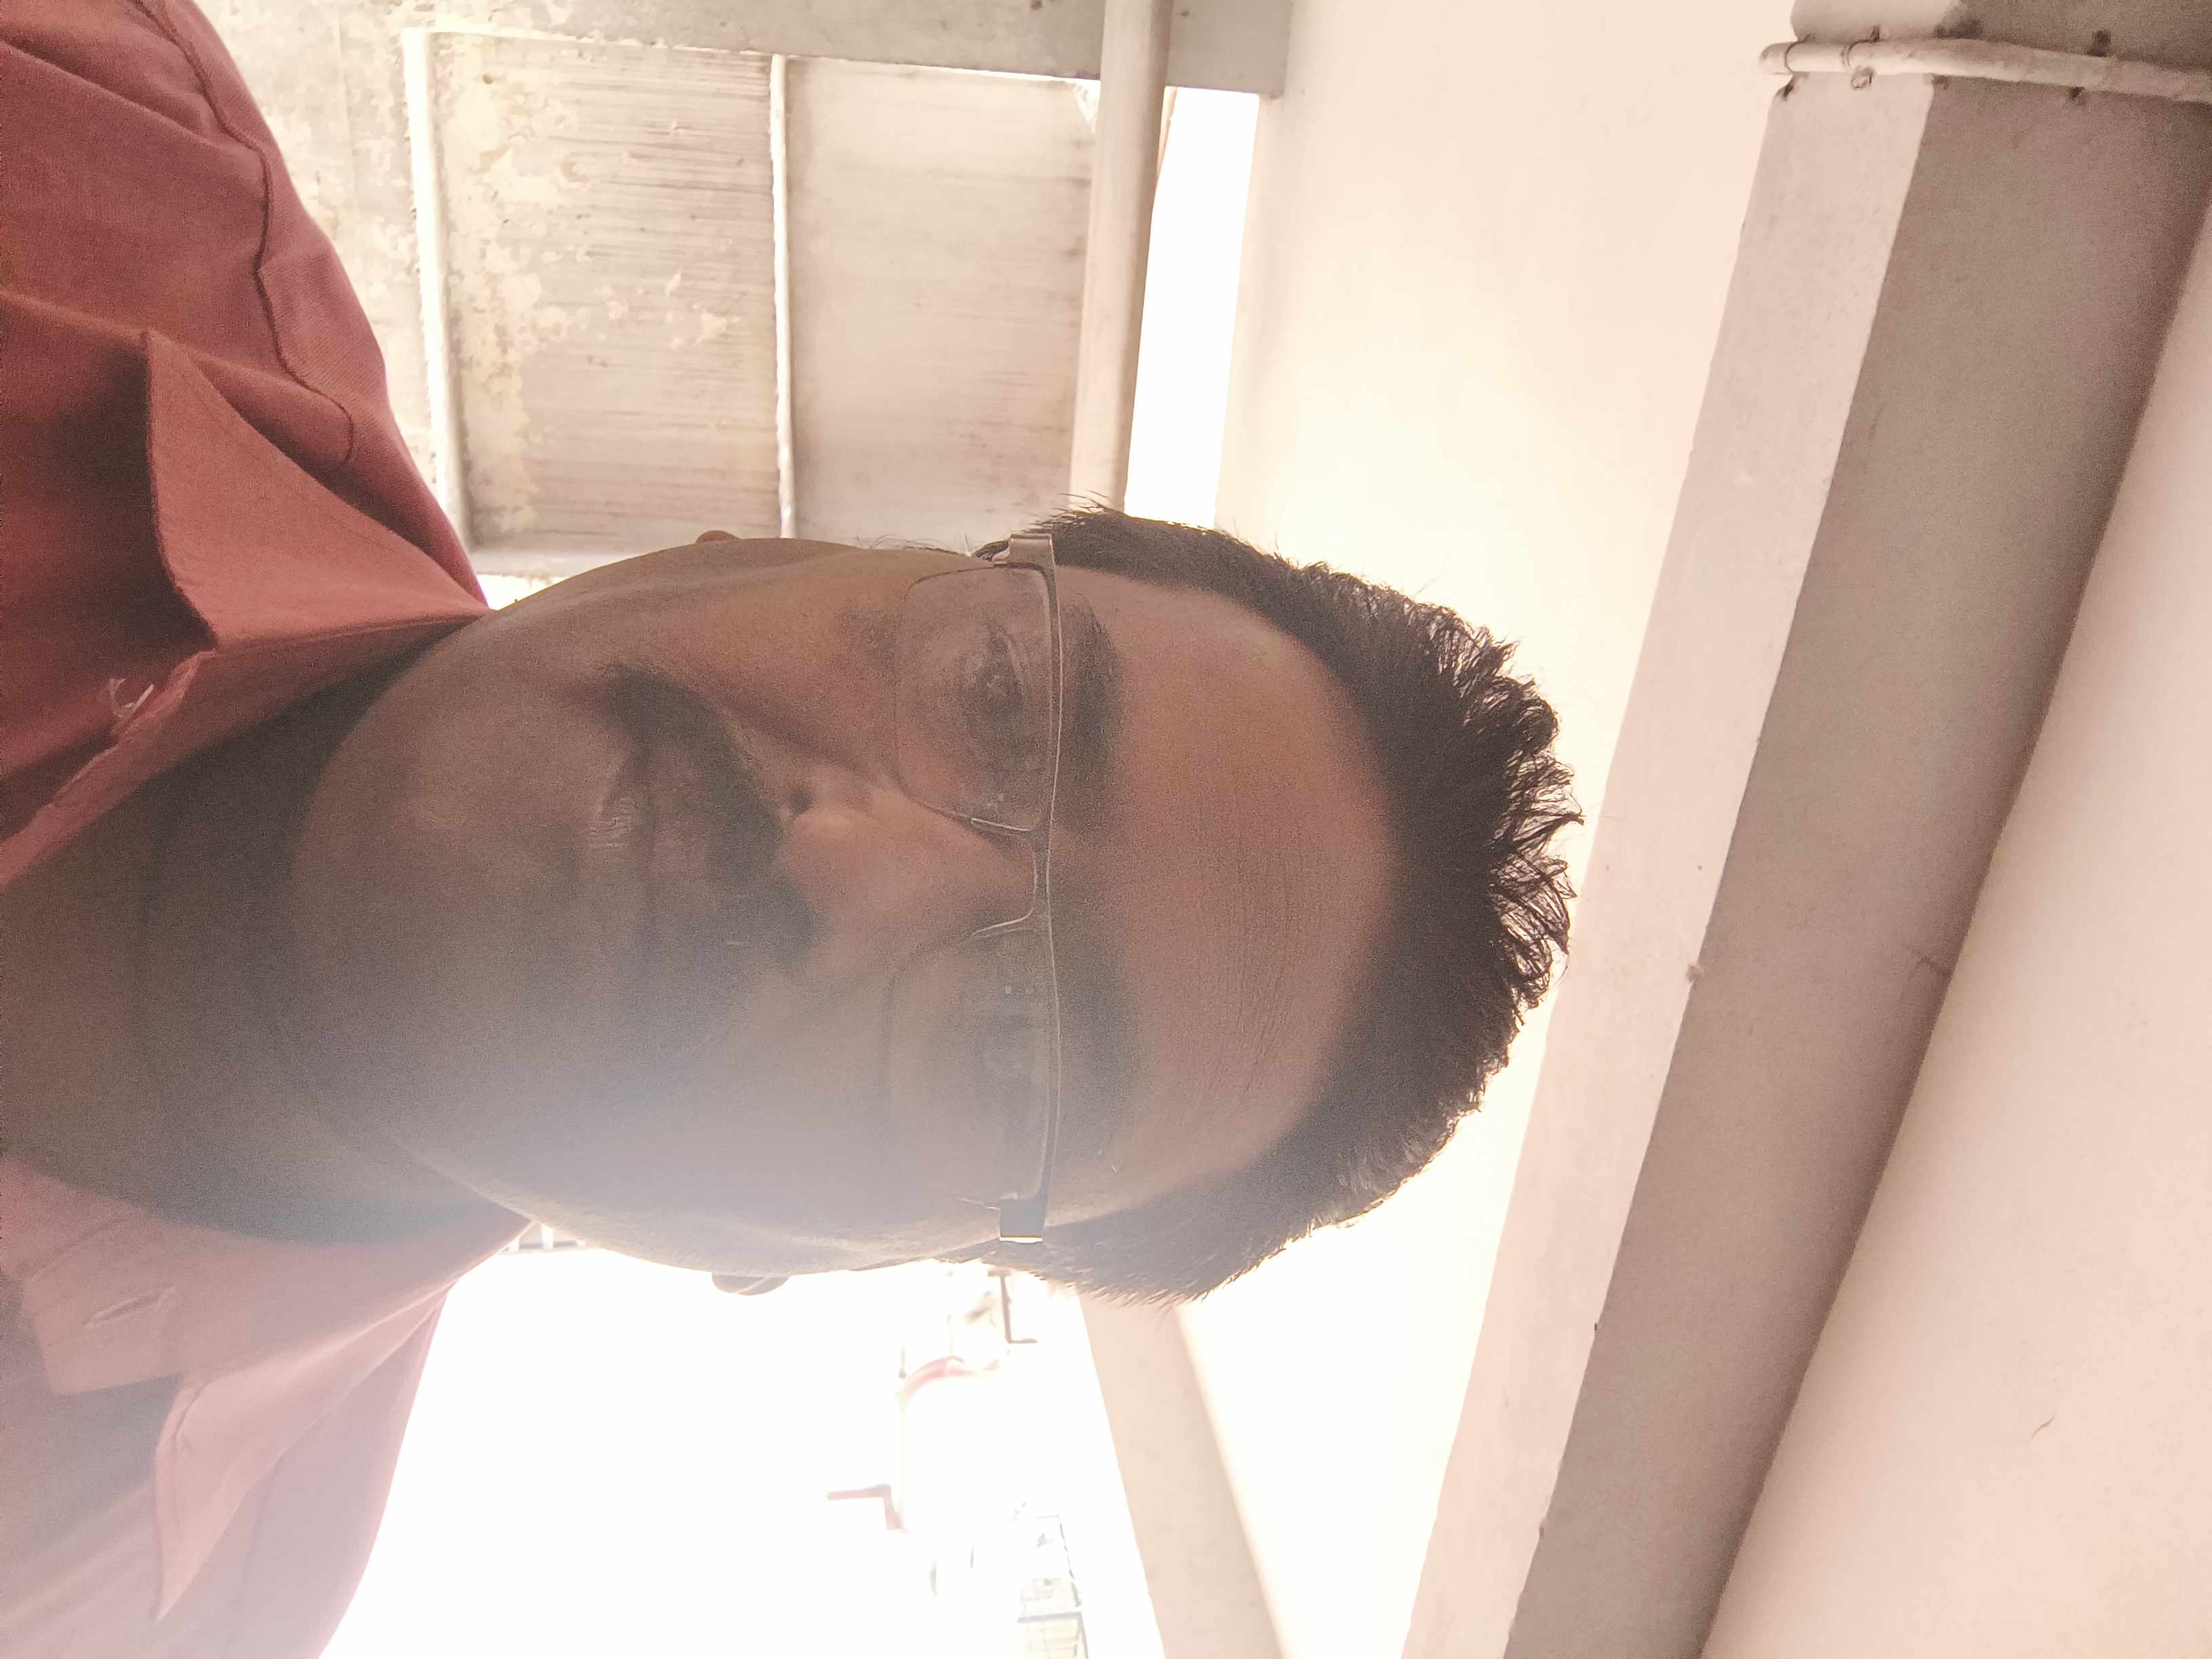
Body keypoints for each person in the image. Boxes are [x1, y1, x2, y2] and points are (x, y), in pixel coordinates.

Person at [0, 0, 1579, 1653]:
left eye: (1014, 1056)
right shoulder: (85, 115)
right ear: (768, 544)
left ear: (819, 1264)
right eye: (997, 700)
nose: (851, 868)